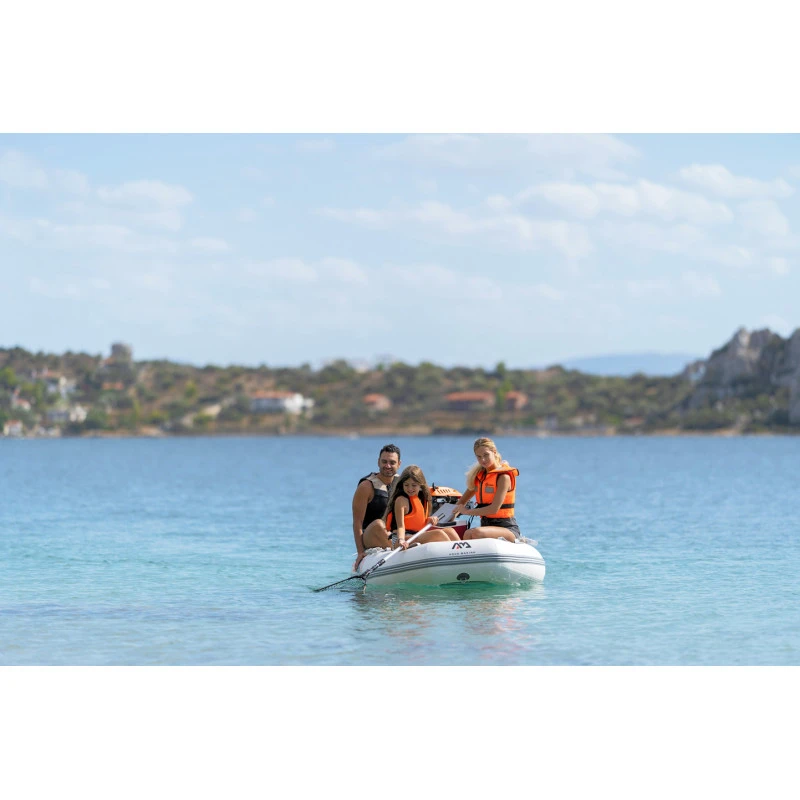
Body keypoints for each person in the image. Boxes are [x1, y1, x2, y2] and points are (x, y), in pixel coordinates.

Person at [451, 437, 521, 542]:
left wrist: (467, 512)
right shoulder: (479, 478)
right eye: (479, 457)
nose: (483, 460)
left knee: (473, 533)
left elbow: (494, 509)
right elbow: (461, 502)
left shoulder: (503, 477)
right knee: (465, 533)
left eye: (486, 455)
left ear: (494, 452)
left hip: (507, 528)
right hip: (486, 526)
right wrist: (448, 520)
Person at [384, 465, 460, 549]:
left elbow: (418, 522)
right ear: (402, 485)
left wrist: (429, 520)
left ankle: (460, 553)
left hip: (417, 535)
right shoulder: (401, 500)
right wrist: (401, 540)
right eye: (406, 485)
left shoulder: (422, 498)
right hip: (401, 539)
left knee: (451, 531)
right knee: (439, 534)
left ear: (420, 484)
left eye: (414, 485)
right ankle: (451, 553)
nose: (410, 488)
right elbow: (401, 526)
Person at [352, 444, 402, 570]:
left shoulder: (403, 483)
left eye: (392, 462)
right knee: (379, 524)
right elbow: (357, 522)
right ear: (378, 462)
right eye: (384, 462)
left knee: (442, 532)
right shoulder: (366, 486)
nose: (388, 466)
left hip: (394, 535)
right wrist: (360, 552)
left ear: (399, 464)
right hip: (371, 535)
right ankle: (401, 555)